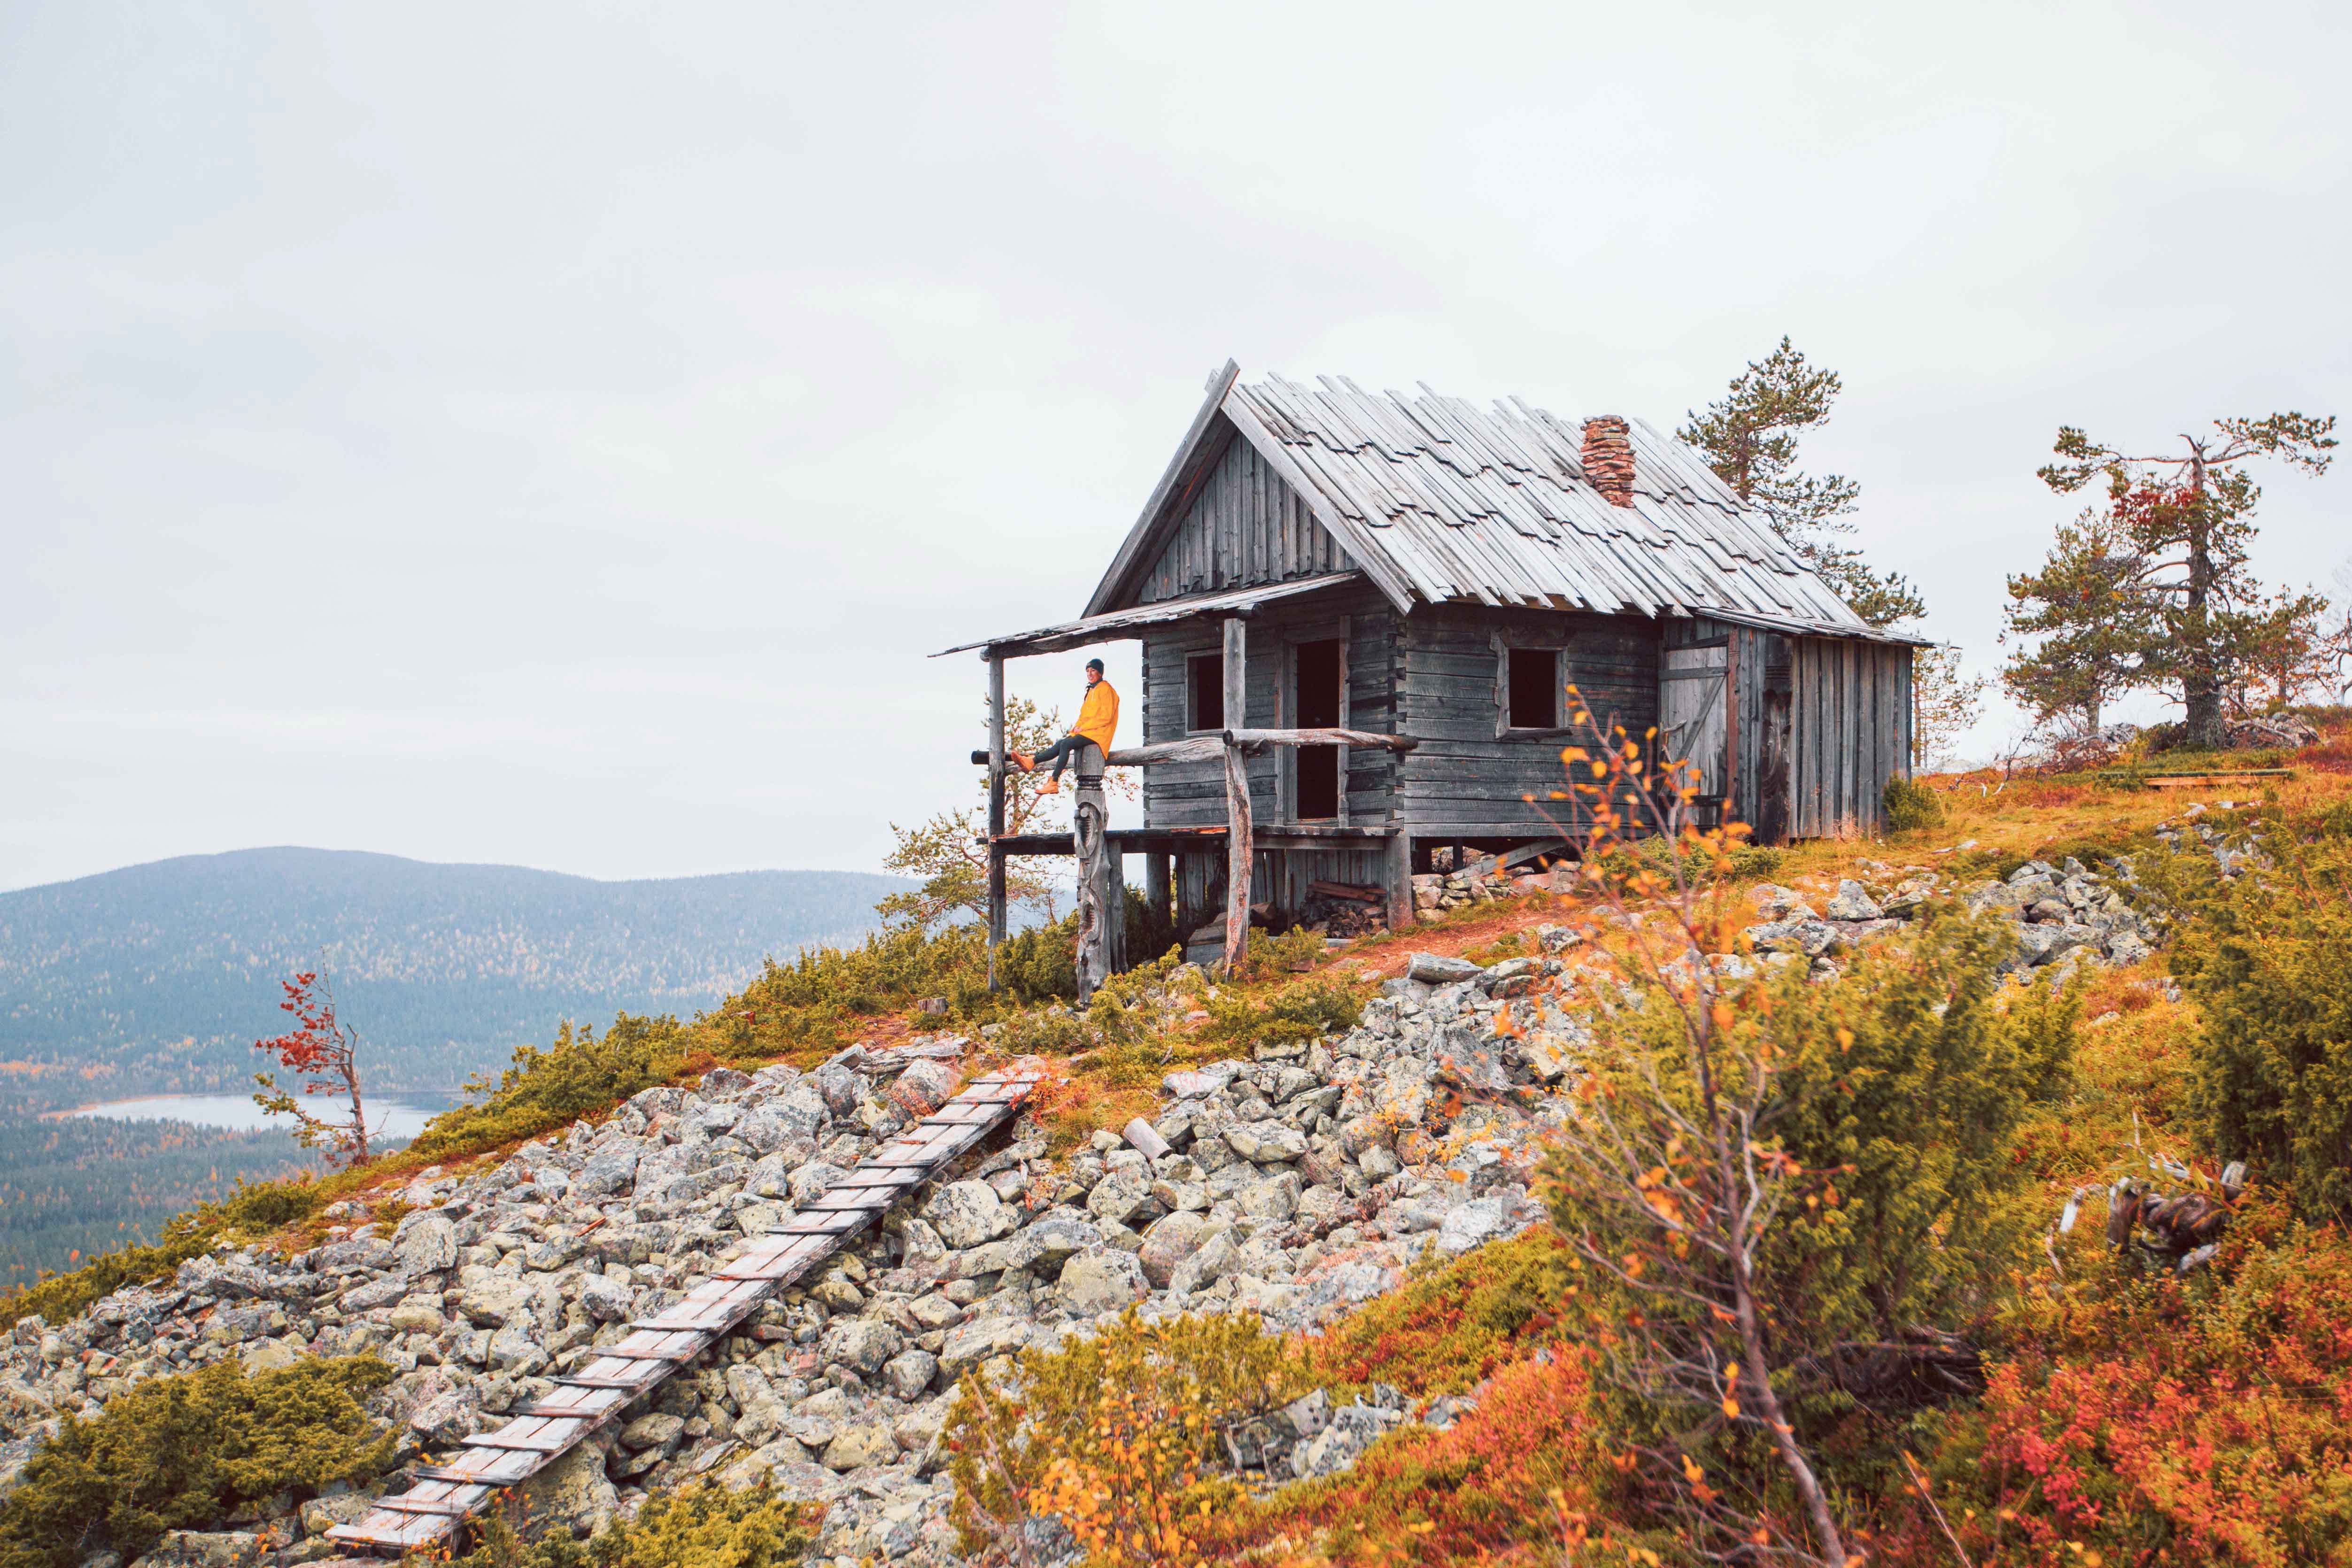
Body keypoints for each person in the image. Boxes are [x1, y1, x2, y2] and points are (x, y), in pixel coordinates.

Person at [1013, 657, 1119, 795]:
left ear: (1100, 673)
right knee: (1062, 743)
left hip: (1100, 733)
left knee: (1066, 744)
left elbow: (1107, 716)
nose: (1090, 674)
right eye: (1087, 671)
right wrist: (1077, 727)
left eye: (1093, 670)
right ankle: (1032, 761)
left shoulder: (1106, 689)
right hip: (1090, 731)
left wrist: (1085, 728)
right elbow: (1084, 715)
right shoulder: (1091, 690)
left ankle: (1054, 782)